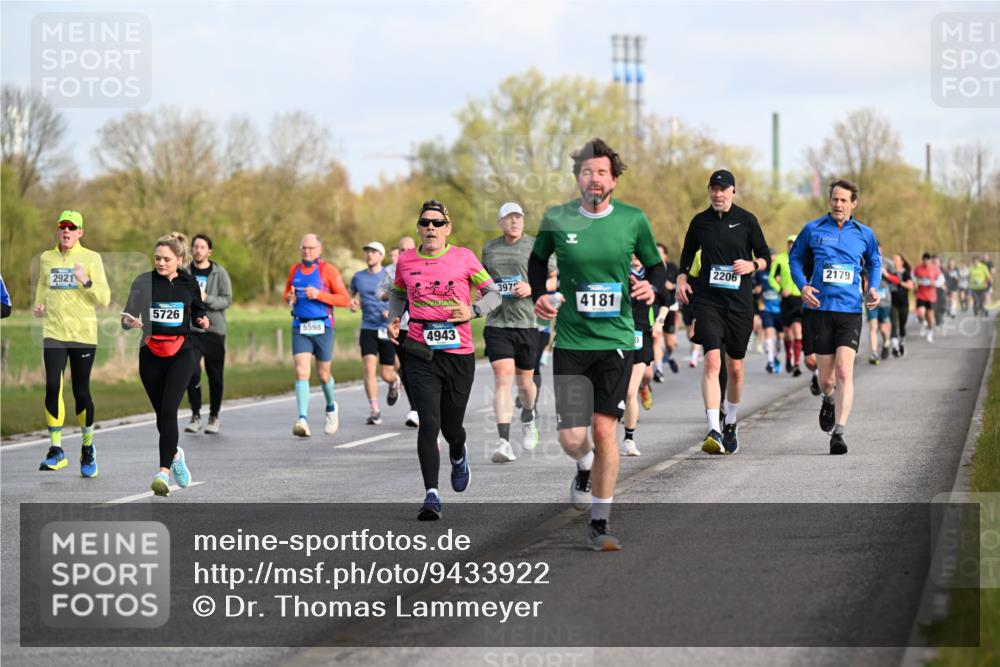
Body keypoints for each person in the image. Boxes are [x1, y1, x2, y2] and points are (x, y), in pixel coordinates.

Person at [529, 138, 665, 551]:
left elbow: (656, 267)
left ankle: (600, 522)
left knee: (605, 431)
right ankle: (583, 466)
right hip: (571, 341)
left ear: (614, 179)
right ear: (577, 178)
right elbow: (537, 261)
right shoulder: (557, 219)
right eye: (587, 171)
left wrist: (652, 289)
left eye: (602, 172)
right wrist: (540, 293)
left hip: (616, 340)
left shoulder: (632, 220)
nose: (594, 178)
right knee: (572, 439)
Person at [387, 199, 502, 521]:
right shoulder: (406, 261)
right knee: (429, 422)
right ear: (419, 228)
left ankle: (457, 451)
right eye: (425, 222)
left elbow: (494, 294)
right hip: (420, 350)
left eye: (437, 223)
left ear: (447, 228)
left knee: (452, 427)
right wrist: (395, 318)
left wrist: (474, 310)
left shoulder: (463, 257)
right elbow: (398, 293)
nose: (431, 228)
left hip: (458, 353)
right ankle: (431, 495)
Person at [677, 170, 770, 456]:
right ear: (709, 192)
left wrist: (752, 266)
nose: (718, 194)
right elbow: (687, 253)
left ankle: (730, 421)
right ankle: (713, 427)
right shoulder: (700, 221)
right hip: (708, 301)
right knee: (712, 362)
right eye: (713, 189)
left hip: (739, 304)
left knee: (736, 367)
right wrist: (681, 278)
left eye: (723, 189)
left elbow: (766, 257)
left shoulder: (747, 220)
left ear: (733, 191)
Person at [790, 180, 881, 455]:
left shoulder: (865, 234)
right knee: (826, 380)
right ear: (829, 201)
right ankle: (828, 400)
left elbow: (875, 261)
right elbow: (794, 258)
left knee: (844, 371)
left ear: (854, 204)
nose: (838, 205)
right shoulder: (813, 229)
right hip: (820, 310)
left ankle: (839, 433)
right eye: (835, 200)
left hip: (850, 311)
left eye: (844, 201)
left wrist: (873, 287)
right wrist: (802, 286)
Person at [122, 233, 209, 495]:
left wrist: (203, 320)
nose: (160, 263)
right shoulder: (143, 282)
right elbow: (127, 316)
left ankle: (163, 474)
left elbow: (198, 310)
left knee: (170, 411)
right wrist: (128, 322)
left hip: (181, 352)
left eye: (167, 259)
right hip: (150, 354)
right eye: (157, 258)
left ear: (180, 260)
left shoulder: (189, 282)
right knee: (162, 416)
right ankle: (175, 454)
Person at [33, 211, 111, 477]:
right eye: (62, 227)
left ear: (80, 232)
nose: (66, 231)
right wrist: (39, 302)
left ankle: (87, 447)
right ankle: (56, 449)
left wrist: (85, 280)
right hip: (53, 332)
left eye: (72, 227)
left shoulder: (91, 258)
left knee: (81, 391)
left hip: (83, 335)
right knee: (53, 384)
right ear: (58, 231)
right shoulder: (47, 257)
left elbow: (105, 298)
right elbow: (43, 284)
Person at [481, 202, 555, 463]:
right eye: (508, 218)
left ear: (523, 221)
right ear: (500, 222)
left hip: (528, 323)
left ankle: (529, 414)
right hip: (497, 324)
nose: (514, 222)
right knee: (503, 379)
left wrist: (532, 287)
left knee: (525, 384)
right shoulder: (489, 248)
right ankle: (503, 441)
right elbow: (483, 281)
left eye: (518, 218)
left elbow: (555, 277)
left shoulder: (537, 246)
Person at [283, 234, 350, 437]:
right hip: (300, 326)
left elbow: (344, 299)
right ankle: (302, 419)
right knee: (302, 372)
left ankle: (331, 408)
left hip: (323, 326)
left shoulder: (327, 270)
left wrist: (319, 295)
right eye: (304, 247)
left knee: (322, 374)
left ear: (319, 249)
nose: (307, 251)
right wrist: (290, 298)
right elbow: (287, 294)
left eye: (311, 248)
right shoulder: (294, 270)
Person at [184, 234, 233, 434]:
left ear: (209, 251)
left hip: (214, 330)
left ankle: (214, 416)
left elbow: (227, 300)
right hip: (192, 330)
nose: (198, 250)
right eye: (195, 246)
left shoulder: (219, 273)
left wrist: (207, 299)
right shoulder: (185, 272)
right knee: (192, 371)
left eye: (202, 247)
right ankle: (195, 415)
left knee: (215, 376)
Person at [350, 241, 400, 425]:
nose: (369, 255)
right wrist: (353, 304)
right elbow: (352, 296)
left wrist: (392, 313)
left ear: (381, 256)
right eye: (367, 252)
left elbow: (400, 297)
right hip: (368, 328)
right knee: (369, 368)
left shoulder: (389, 276)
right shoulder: (358, 277)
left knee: (386, 374)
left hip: (386, 328)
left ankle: (394, 382)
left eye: (373, 252)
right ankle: (374, 410)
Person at [378, 237, 420, 428]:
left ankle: (432, 405)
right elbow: (380, 292)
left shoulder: (427, 266)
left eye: (409, 249)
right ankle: (415, 408)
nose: (405, 253)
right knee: (407, 368)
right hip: (401, 327)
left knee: (427, 367)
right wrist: (393, 296)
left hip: (423, 326)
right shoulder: (392, 271)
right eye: (402, 250)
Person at [622, 255, 658, 456]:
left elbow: (664, 301)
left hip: (642, 333)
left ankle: (629, 439)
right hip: (618, 333)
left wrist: (660, 321)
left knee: (631, 390)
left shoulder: (653, 275)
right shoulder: (618, 271)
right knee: (621, 389)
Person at [770, 235, 804, 376]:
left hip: (799, 298)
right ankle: (788, 357)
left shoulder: (804, 257)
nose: (791, 245)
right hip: (786, 300)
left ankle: (796, 363)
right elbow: (771, 278)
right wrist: (779, 289)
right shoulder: (780, 259)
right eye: (789, 243)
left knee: (797, 330)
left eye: (794, 243)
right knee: (787, 333)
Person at [651, 243, 680, 381]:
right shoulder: (650, 268)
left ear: (665, 255)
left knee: (670, 342)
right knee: (657, 338)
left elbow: (682, 284)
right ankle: (659, 369)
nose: (657, 255)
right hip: (656, 307)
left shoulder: (673, 268)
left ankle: (670, 355)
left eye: (659, 252)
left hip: (671, 306)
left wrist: (672, 285)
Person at [866, 246, 893, 365]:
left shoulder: (888, 263)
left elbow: (896, 279)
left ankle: (886, 342)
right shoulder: (865, 263)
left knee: (883, 328)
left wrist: (886, 274)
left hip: (884, 300)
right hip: (870, 299)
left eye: (879, 251)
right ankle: (874, 353)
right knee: (873, 326)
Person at [756, 256, 783, 373]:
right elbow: (754, 288)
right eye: (770, 260)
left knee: (780, 338)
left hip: (781, 309)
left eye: (773, 260)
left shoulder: (782, 271)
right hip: (766, 308)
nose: (771, 263)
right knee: (768, 333)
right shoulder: (761, 273)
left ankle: (775, 355)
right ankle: (770, 361)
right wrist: (757, 289)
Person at [885, 254, 913, 357]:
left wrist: (898, 282)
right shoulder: (890, 272)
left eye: (896, 260)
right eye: (893, 260)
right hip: (892, 303)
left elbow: (910, 285)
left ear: (902, 261)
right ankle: (895, 347)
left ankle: (901, 343)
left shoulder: (906, 273)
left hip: (904, 303)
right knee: (894, 325)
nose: (894, 262)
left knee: (902, 326)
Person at [913, 253, 941, 343]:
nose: (926, 261)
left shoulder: (934, 269)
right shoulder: (918, 268)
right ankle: (923, 322)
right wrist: (915, 282)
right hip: (921, 295)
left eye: (927, 260)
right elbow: (912, 276)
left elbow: (942, 279)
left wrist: (935, 284)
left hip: (931, 297)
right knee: (921, 312)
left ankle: (930, 333)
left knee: (930, 316)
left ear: (930, 260)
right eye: (924, 260)